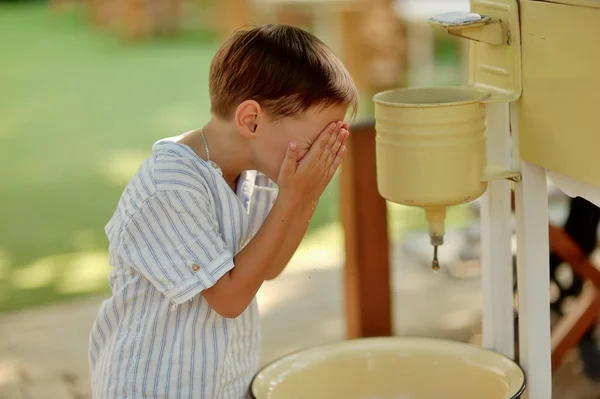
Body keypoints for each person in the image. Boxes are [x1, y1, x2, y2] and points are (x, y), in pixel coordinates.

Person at [88, 24, 357, 398]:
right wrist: (295, 197)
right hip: (154, 385)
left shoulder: (255, 171)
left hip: (222, 382)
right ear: (251, 120)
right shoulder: (171, 187)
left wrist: (304, 195)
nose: (319, 154)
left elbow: (272, 264)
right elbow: (228, 299)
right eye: (315, 141)